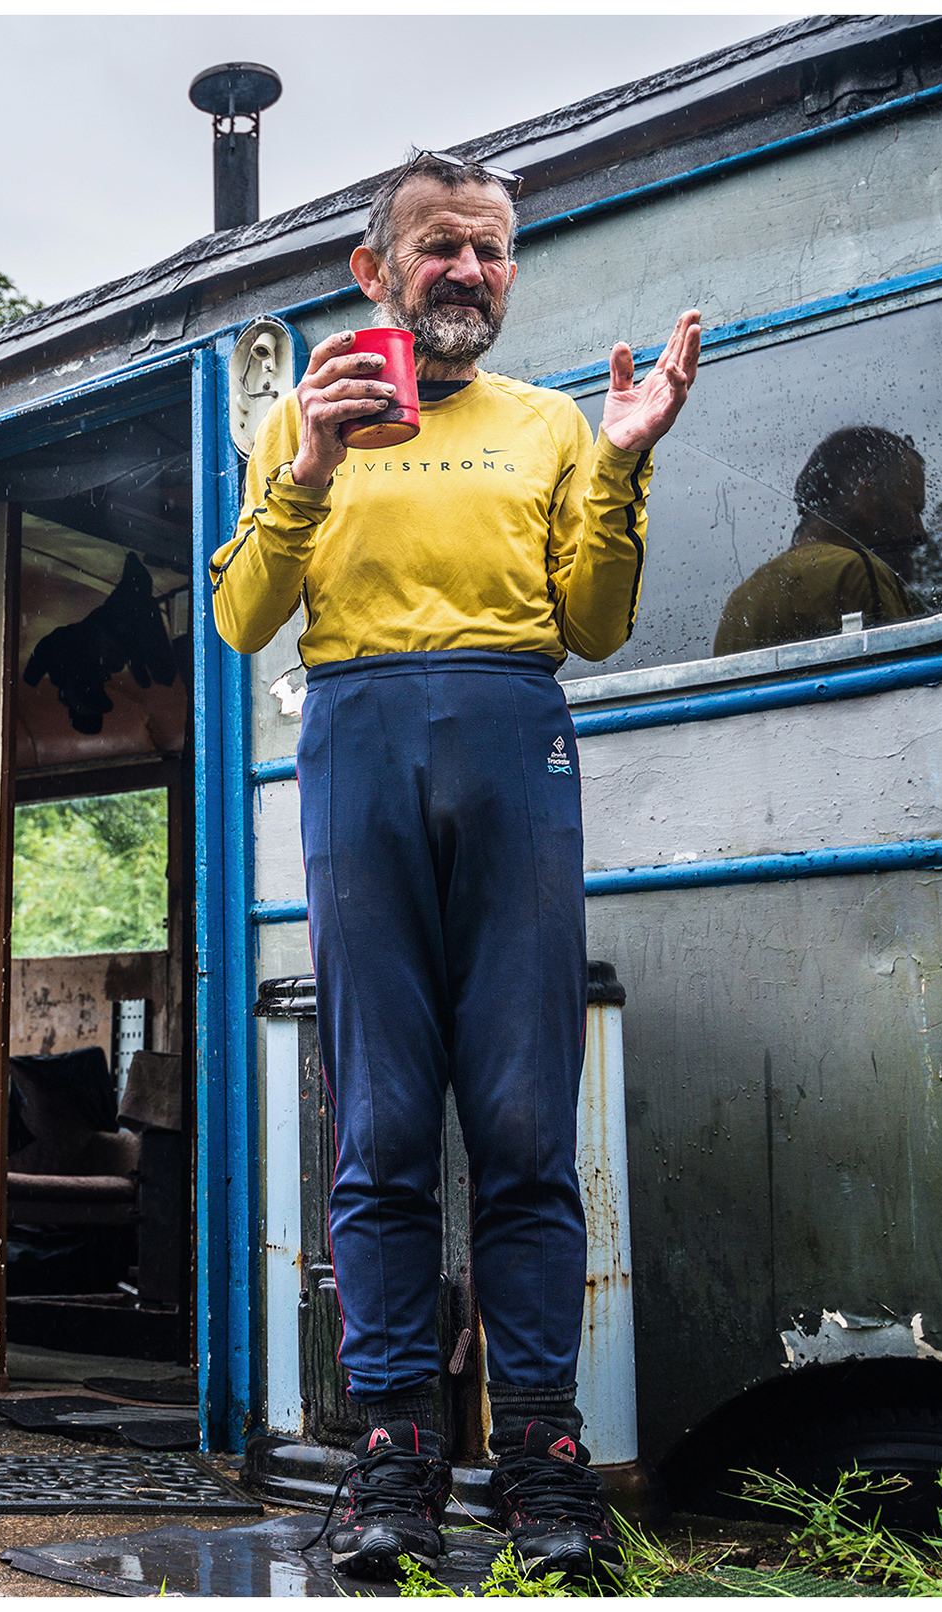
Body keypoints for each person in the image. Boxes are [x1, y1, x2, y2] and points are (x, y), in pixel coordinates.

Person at [209, 150, 701, 1584]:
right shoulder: (297, 421)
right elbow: (245, 620)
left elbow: (596, 623)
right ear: (375, 271)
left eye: (490, 250)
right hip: (358, 744)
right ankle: (395, 1461)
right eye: (440, 248)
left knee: (525, 1117)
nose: (470, 272)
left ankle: (544, 1469)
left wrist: (624, 461)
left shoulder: (551, 425)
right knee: (381, 1127)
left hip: (513, 742)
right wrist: (305, 467)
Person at [713, 426, 925, 654]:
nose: (921, 532)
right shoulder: (855, 571)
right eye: (914, 509)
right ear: (868, 494)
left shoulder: (744, 597)